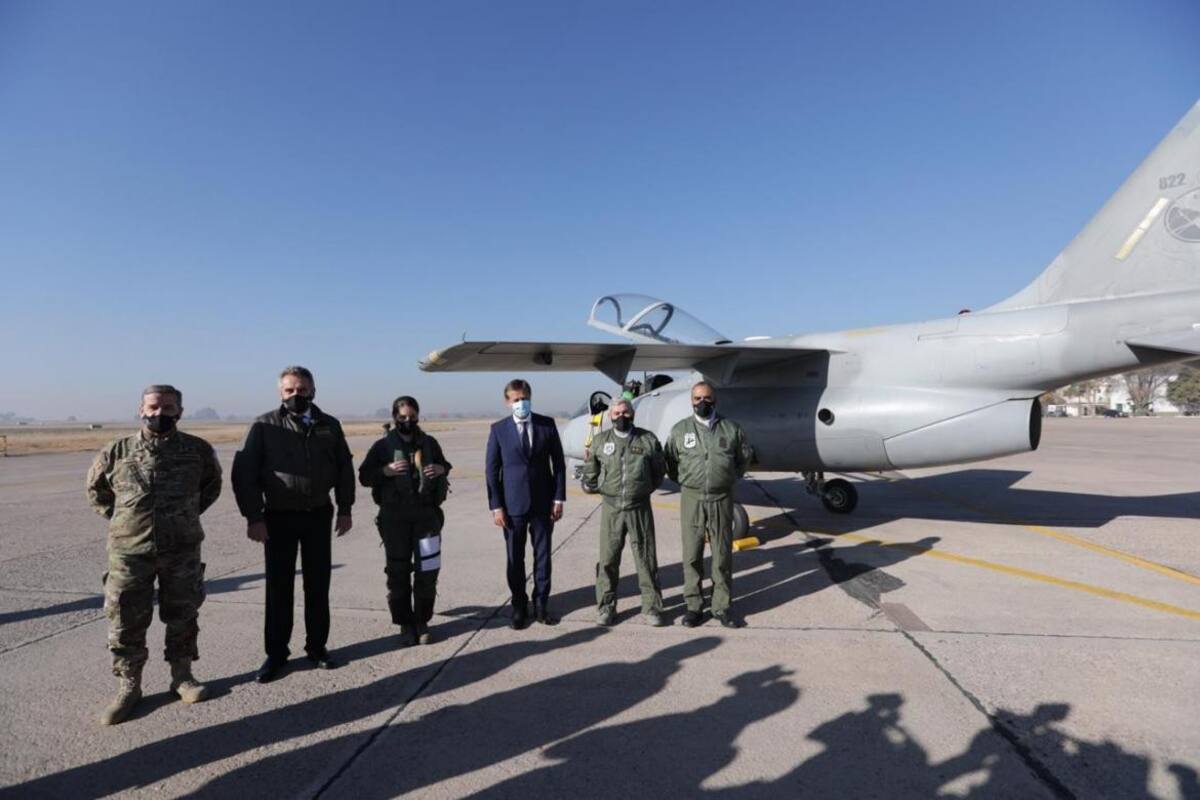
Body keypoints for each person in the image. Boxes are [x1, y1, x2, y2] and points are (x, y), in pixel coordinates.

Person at [85, 384, 222, 725]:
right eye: (154, 407)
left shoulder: (197, 451)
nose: (160, 413)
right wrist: (126, 522)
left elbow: (211, 487)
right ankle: (129, 687)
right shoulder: (116, 451)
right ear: (141, 409)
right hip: (130, 552)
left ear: (180, 411)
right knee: (125, 619)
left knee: (183, 613)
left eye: (168, 407)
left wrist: (183, 516)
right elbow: (97, 493)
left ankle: (182, 676)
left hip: (182, 548)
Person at [231, 366, 354, 682]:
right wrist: (253, 517)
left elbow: (343, 468)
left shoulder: (330, 425)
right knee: (279, 588)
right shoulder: (263, 426)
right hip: (278, 517)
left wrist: (345, 508)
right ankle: (276, 654)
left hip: (318, 514)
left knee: (318, 585)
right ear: (280, 393)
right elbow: (245, 474)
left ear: (313, 389)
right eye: (289, 390)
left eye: (301, 389)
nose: (296, 395)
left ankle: (317, 647)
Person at [358, 396, 451, 647]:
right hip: (395, 519)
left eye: (411, 416)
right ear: (394, 417)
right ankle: (403, 623)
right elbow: (364, 476)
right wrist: (385, 471)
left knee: (428, 571)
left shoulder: (430, 443)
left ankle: (422, 621)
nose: (407, 421)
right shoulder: (382, 447)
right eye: (402, 417)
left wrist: (441, 469)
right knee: (398, 572)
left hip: (427, 518)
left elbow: (445, 465)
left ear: (418, 416)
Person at [664, 381, 753, 629]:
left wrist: (724, 479)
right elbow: (670, 461)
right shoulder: (680, 430)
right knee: (691, 554)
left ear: (715, 400)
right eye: (697, 398)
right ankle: (693, 607)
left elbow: (743, 460)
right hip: (692, 498)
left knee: (721, 555)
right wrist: (686, 481)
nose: (702, 402)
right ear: (691, 401)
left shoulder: (731, 429)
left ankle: (721, 607)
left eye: (707, 398)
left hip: (721, 497)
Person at [485, 378, 566, 629]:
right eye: (516, 399)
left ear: (530, 398)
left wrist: (558, 498)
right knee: (514, 558)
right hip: (512, 507)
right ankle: (519, 606)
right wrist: (496, 506)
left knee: (543, 557)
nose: (521, 403)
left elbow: (559, 465)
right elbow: (491, 470)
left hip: (543, 504)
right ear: (508, 402)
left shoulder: (546, 425)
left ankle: (541, 604)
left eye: (524, 398)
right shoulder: (498, 429)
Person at [582, 398, 667, 626]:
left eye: (625, 412)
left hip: (639, 508)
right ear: (610, 416)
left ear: (633, 414)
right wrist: (605, 488)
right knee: (608, 560)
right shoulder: (600, 441)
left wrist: (643, 489)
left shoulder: (647, 440)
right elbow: (591, 472)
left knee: (646, 559)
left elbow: (659, 472)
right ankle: (606, 608)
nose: (621, 416)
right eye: (617, 413)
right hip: (611, 509)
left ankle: (651, 609)